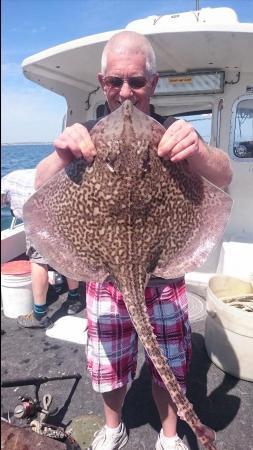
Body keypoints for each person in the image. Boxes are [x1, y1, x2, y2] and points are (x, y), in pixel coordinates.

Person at [35, 31, 233, 450]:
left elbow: (223, 176)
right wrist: (61, 155)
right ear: (102, 81)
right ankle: (113, 426)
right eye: (115, 82)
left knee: (170, 366)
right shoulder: (85, 134)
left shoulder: (170, 135)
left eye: (137, 82)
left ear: (153, 82)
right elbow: (39, 190)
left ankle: (169, 433)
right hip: (104, 275)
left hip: (163, 274)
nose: (125, 94)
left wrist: (196, 149)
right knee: (109, 364)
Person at [1, 169, 83, 329]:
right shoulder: (12, 178)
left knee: (38, 261)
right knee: (67, 255)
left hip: (44, 210)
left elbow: (27, 215)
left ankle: (39, 315)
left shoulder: (12, 192)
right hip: (67, 204)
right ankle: (74, 299)